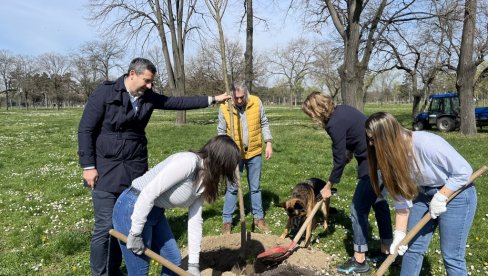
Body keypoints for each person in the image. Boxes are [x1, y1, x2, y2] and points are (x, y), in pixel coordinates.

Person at [78, 57, 230, 276]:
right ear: (132, 74)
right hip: (105, 168)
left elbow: (174, 103)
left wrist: (212, 99)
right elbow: (85, 129)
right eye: (146, 81)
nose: (149, 86)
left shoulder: (146, 97)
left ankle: (116, 268)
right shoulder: (105, 93)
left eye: (151, 82)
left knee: (123, 222)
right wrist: (88, 165)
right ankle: (101, 273)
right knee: (104, 227)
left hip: (134, 168)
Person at [365, 112, 476, 276]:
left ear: (386, 136)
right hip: (424, 194)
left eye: (373, 139)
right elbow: (402, 202)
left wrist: (441, 196)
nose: (370, 144)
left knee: (451, 256)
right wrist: (399, 235)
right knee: (410, 249)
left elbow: (463, 171)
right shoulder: (391, 158)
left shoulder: (426, 143)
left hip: (457, 193)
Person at [112, 135, 241, 276]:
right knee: (140, 271)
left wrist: (193, 265)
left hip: (155, 211)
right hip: (132, 206)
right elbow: (148, 193)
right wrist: (135, 232)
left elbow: (195, 221)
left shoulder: (205, 181)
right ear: (220, 161)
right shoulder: (188, 162)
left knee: (173, 262)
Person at [302, 92, 393, 274]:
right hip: (385, 159)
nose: (311, 117)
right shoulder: (343, 110)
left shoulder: (333, 124)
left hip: (373, 164)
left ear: (317, 110)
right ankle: (388, 252)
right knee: (379, 203)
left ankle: (360, 261)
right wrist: (349, 154)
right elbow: (354, 136)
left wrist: (327, 186)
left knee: (357, 209)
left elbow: (338, 160)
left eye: (310, 113)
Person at [218, 81, 273, 234]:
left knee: (255, 188)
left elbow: (264, 122)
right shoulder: (225, 106)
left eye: (242, 97)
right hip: (234, 155)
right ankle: (227, 221)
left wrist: (268, 142)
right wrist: (225, 151)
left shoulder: (256, 102)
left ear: (246, 94)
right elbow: (221, 131)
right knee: (232, 188)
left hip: (254, 152)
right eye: (237, 98)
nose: (240, 100)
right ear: (232, 96)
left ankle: (259, 218)